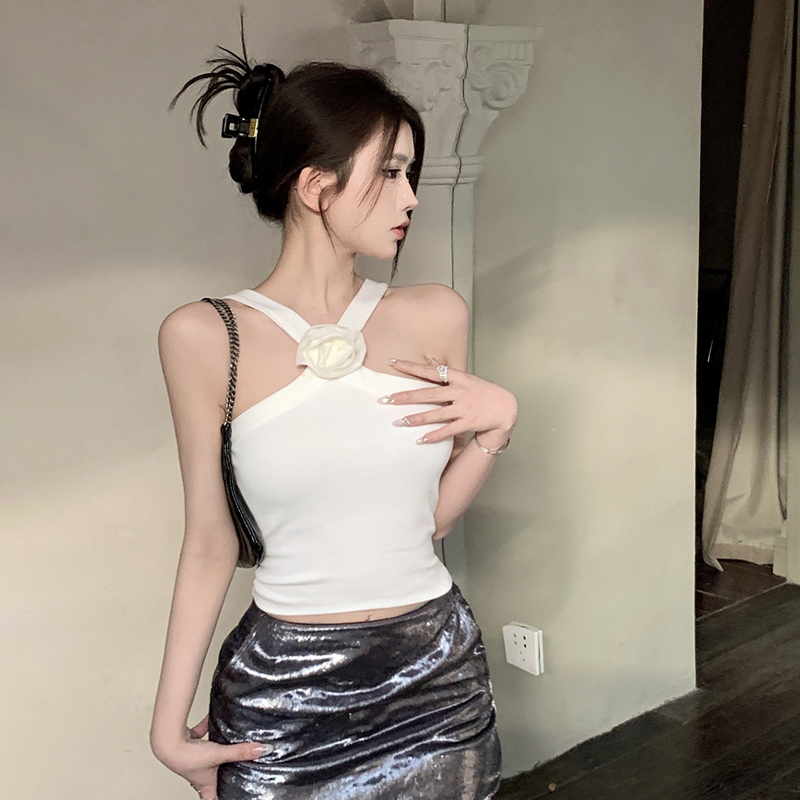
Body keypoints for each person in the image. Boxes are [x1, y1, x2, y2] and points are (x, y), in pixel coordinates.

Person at [149, 23, 518, 800]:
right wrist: (166, 726)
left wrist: (497, 425)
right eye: (391, 173)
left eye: (411, 174)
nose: (411, 198)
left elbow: (423, 523)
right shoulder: (203, 337)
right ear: (317, 187)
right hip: (284, 688)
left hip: (437, 679)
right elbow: (211, 540)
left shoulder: (436, 314)